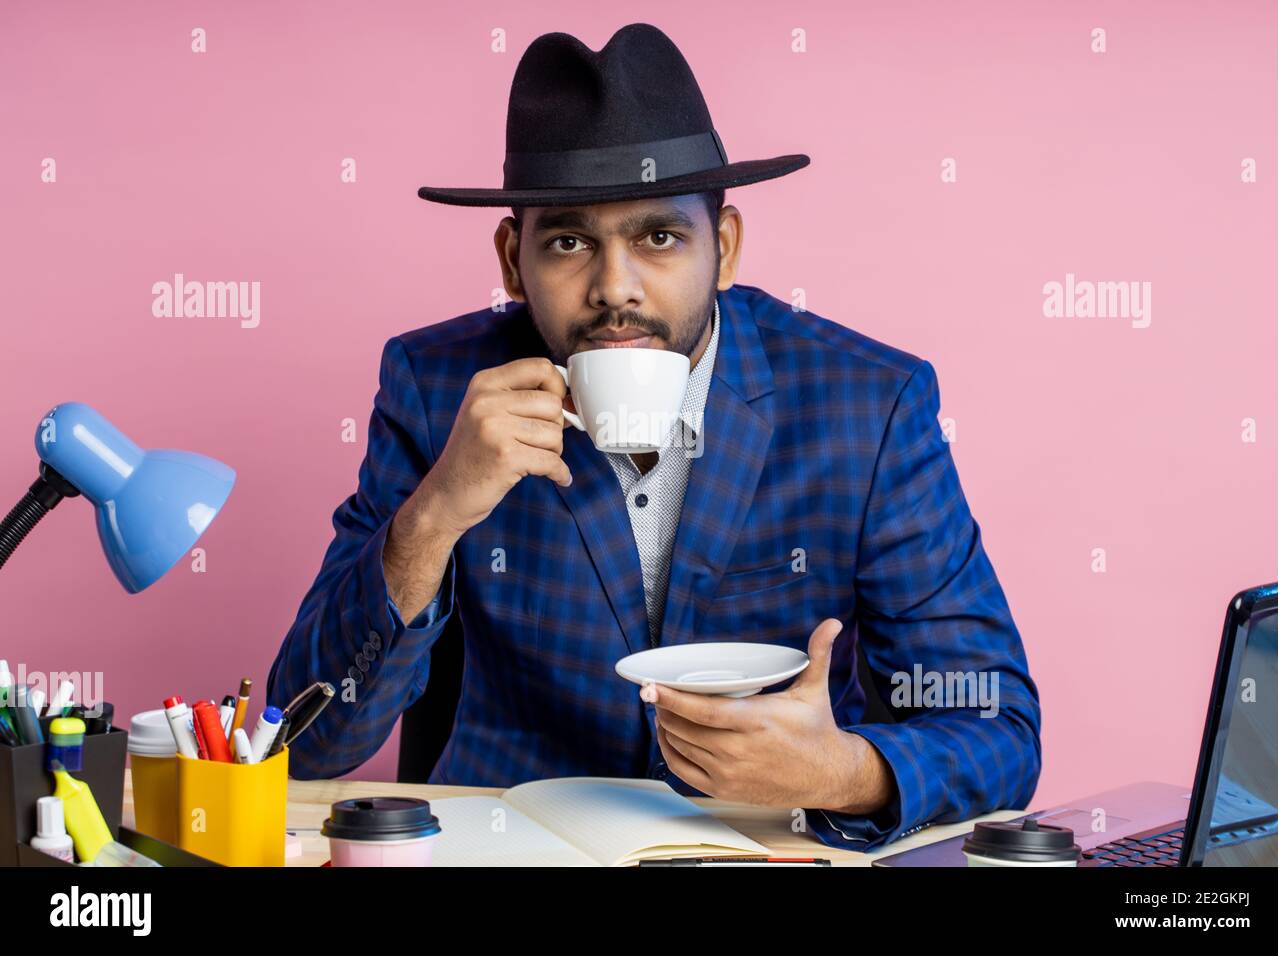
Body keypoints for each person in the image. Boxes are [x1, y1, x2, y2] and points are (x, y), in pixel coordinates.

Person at [267, 22, 1041, 852]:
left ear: (727, 248)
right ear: (509, 259)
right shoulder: (435, 390)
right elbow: (302, 748)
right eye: (568, 242)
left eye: (659, 237)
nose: (614, 288)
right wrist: (435, 514)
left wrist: (841, 773)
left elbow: (994, 724)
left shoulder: (869, 406)